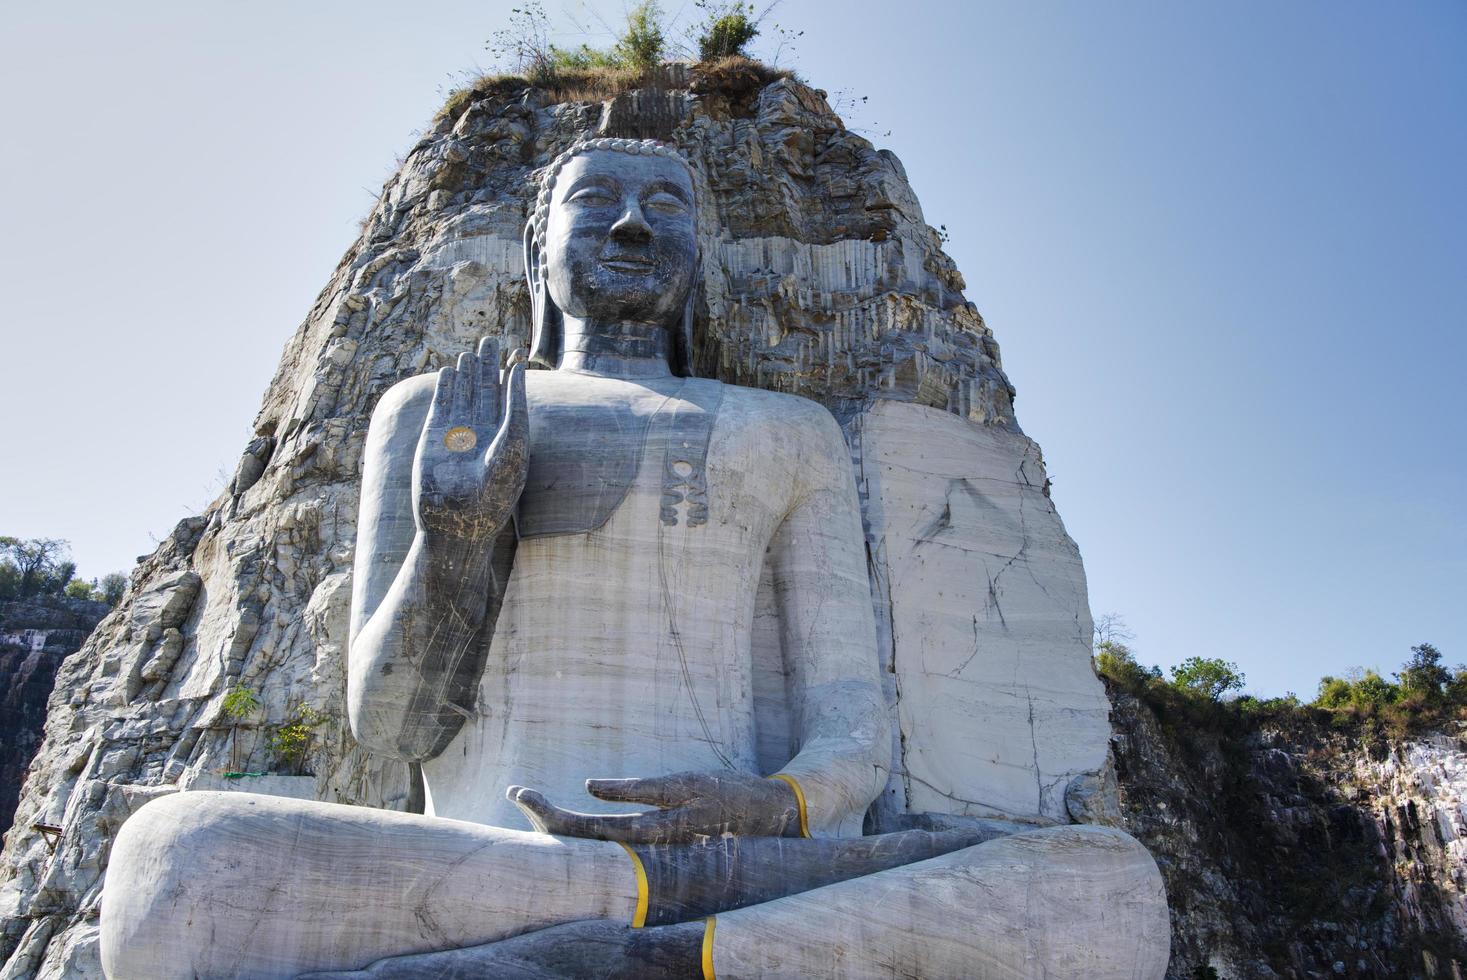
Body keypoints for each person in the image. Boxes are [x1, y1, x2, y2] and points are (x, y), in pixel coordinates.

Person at [100, 139, 1168, 979]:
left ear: (698, 253)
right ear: (535, 249)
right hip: (496, 860)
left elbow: (854, 730)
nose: (627, 222)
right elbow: (391, 728)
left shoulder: (784, 428)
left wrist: (770, 805)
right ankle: (665, 950)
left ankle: (615, 952)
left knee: (1107, 884)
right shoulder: (434, 411)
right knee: (176, 864)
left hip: (735, 865)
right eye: (596, 199)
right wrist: (456, 537)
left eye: (666, 208)